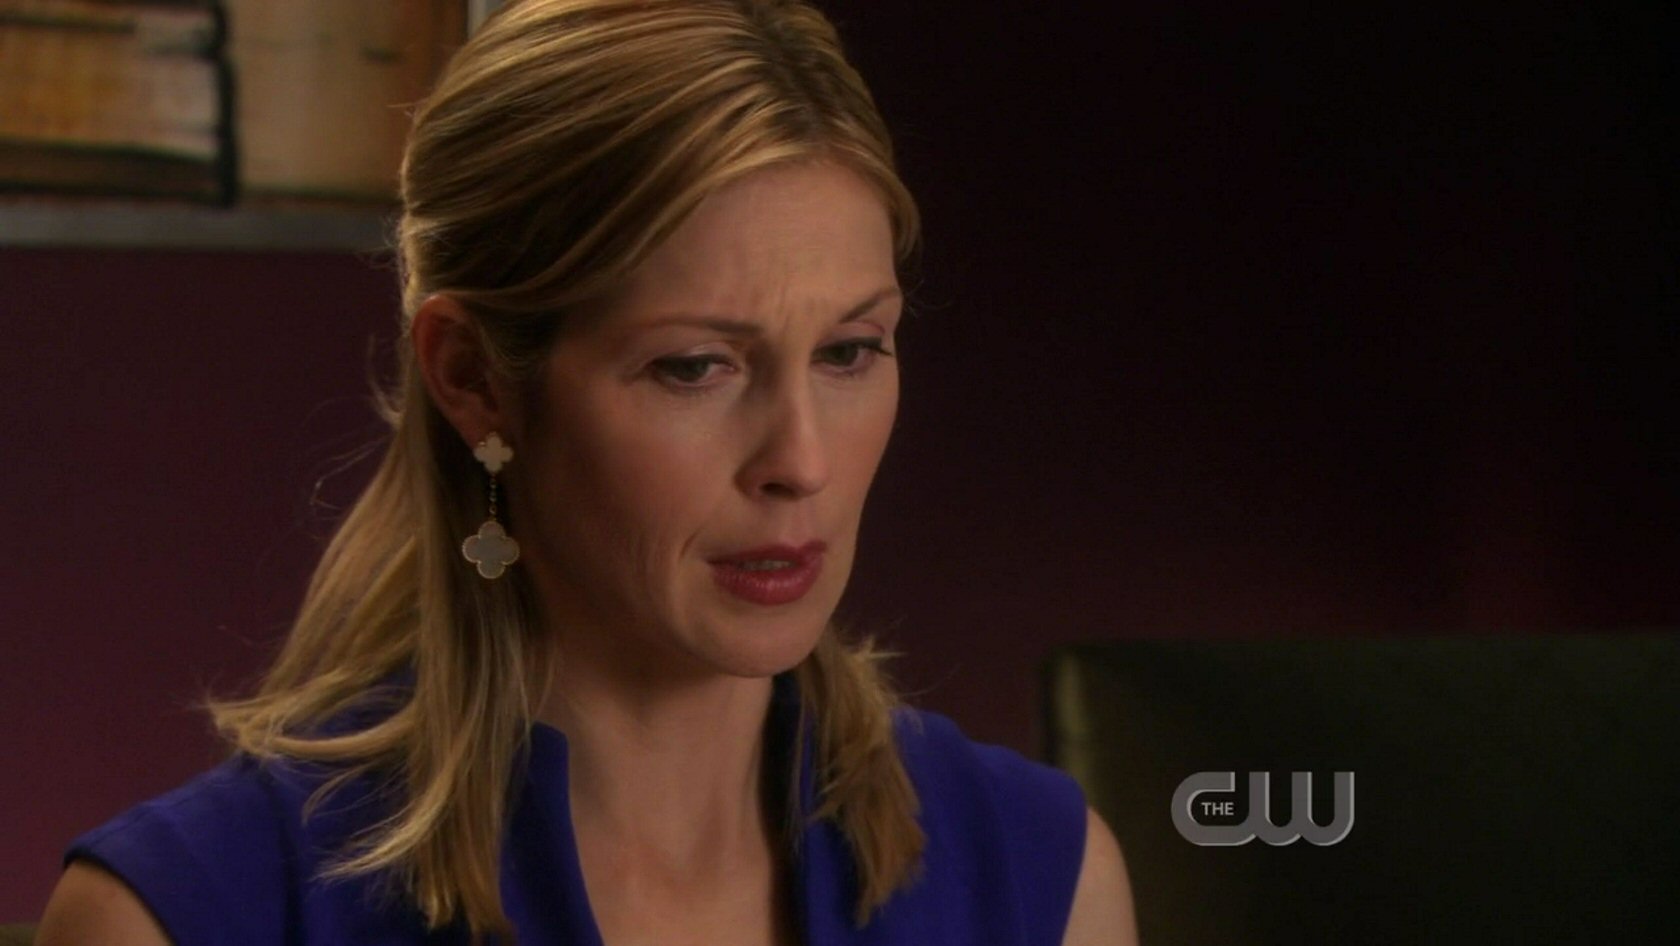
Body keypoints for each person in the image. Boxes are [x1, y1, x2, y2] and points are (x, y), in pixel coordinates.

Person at [38, 1, 1137, 943]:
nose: (801, 462)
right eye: (695, 367)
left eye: (849, 351)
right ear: (472, 375)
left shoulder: (1040, 877)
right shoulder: (184, 914)